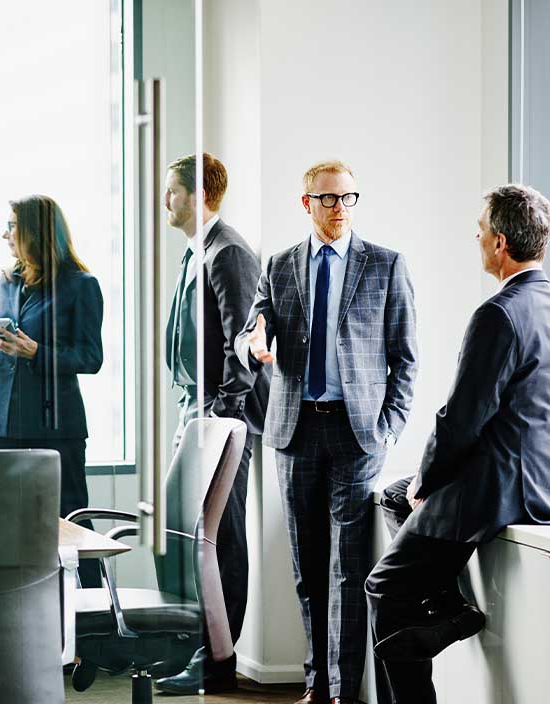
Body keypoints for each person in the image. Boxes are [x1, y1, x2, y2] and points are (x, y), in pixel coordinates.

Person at [365, 184, 550, 704]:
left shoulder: (498, 313)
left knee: (385, 589)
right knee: (394, 492)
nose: (475, 239)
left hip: (499, 488)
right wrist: (419, 484)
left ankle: (449, 615)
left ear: (499, 242)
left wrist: (428, 483)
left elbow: (460, 420)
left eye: (479, 232)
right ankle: (447, 601)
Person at [235, 160, 418, 704]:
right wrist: (255, 341)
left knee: (348, 567)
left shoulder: (385, 265)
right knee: (307, 564)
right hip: (294, 431)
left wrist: (387, 429)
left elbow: (405, 359)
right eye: (329, 199)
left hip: (357, 434)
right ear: (306, 203)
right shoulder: (281, 265)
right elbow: (254, 325)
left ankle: (340, 691)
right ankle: (316, 682)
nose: (339, 209)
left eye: (348, 198)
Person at [155, 153, 270, 695]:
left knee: (220, 535)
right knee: (194, 534)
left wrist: (221, 410)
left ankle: (217, 659)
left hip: (223, 416)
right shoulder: (196, 251)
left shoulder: (229, 253)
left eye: (172, 191)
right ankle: (200, 648)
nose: (165, 200)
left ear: (198, 194)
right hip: (196, 410)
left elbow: (243, 342)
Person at [0, 194, 103, 586]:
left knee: (68, 531)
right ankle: (5, 628)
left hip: (55, 428)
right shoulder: (4, 282)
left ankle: (87, 628)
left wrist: (37, 351)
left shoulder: (81, 286)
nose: (5, 235)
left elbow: (90, 357)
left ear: (35, 232)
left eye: (12, 227)